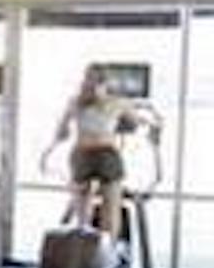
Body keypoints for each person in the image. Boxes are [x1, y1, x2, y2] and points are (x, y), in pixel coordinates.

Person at [41, 64, 151, 244]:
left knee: (102, 209)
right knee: (96, 210)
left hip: (99, 155)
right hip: (87, 155)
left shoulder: (111, 103)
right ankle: (96, 252)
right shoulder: (86, 102)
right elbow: (62, 131)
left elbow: (136, 123)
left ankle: (103, 251)